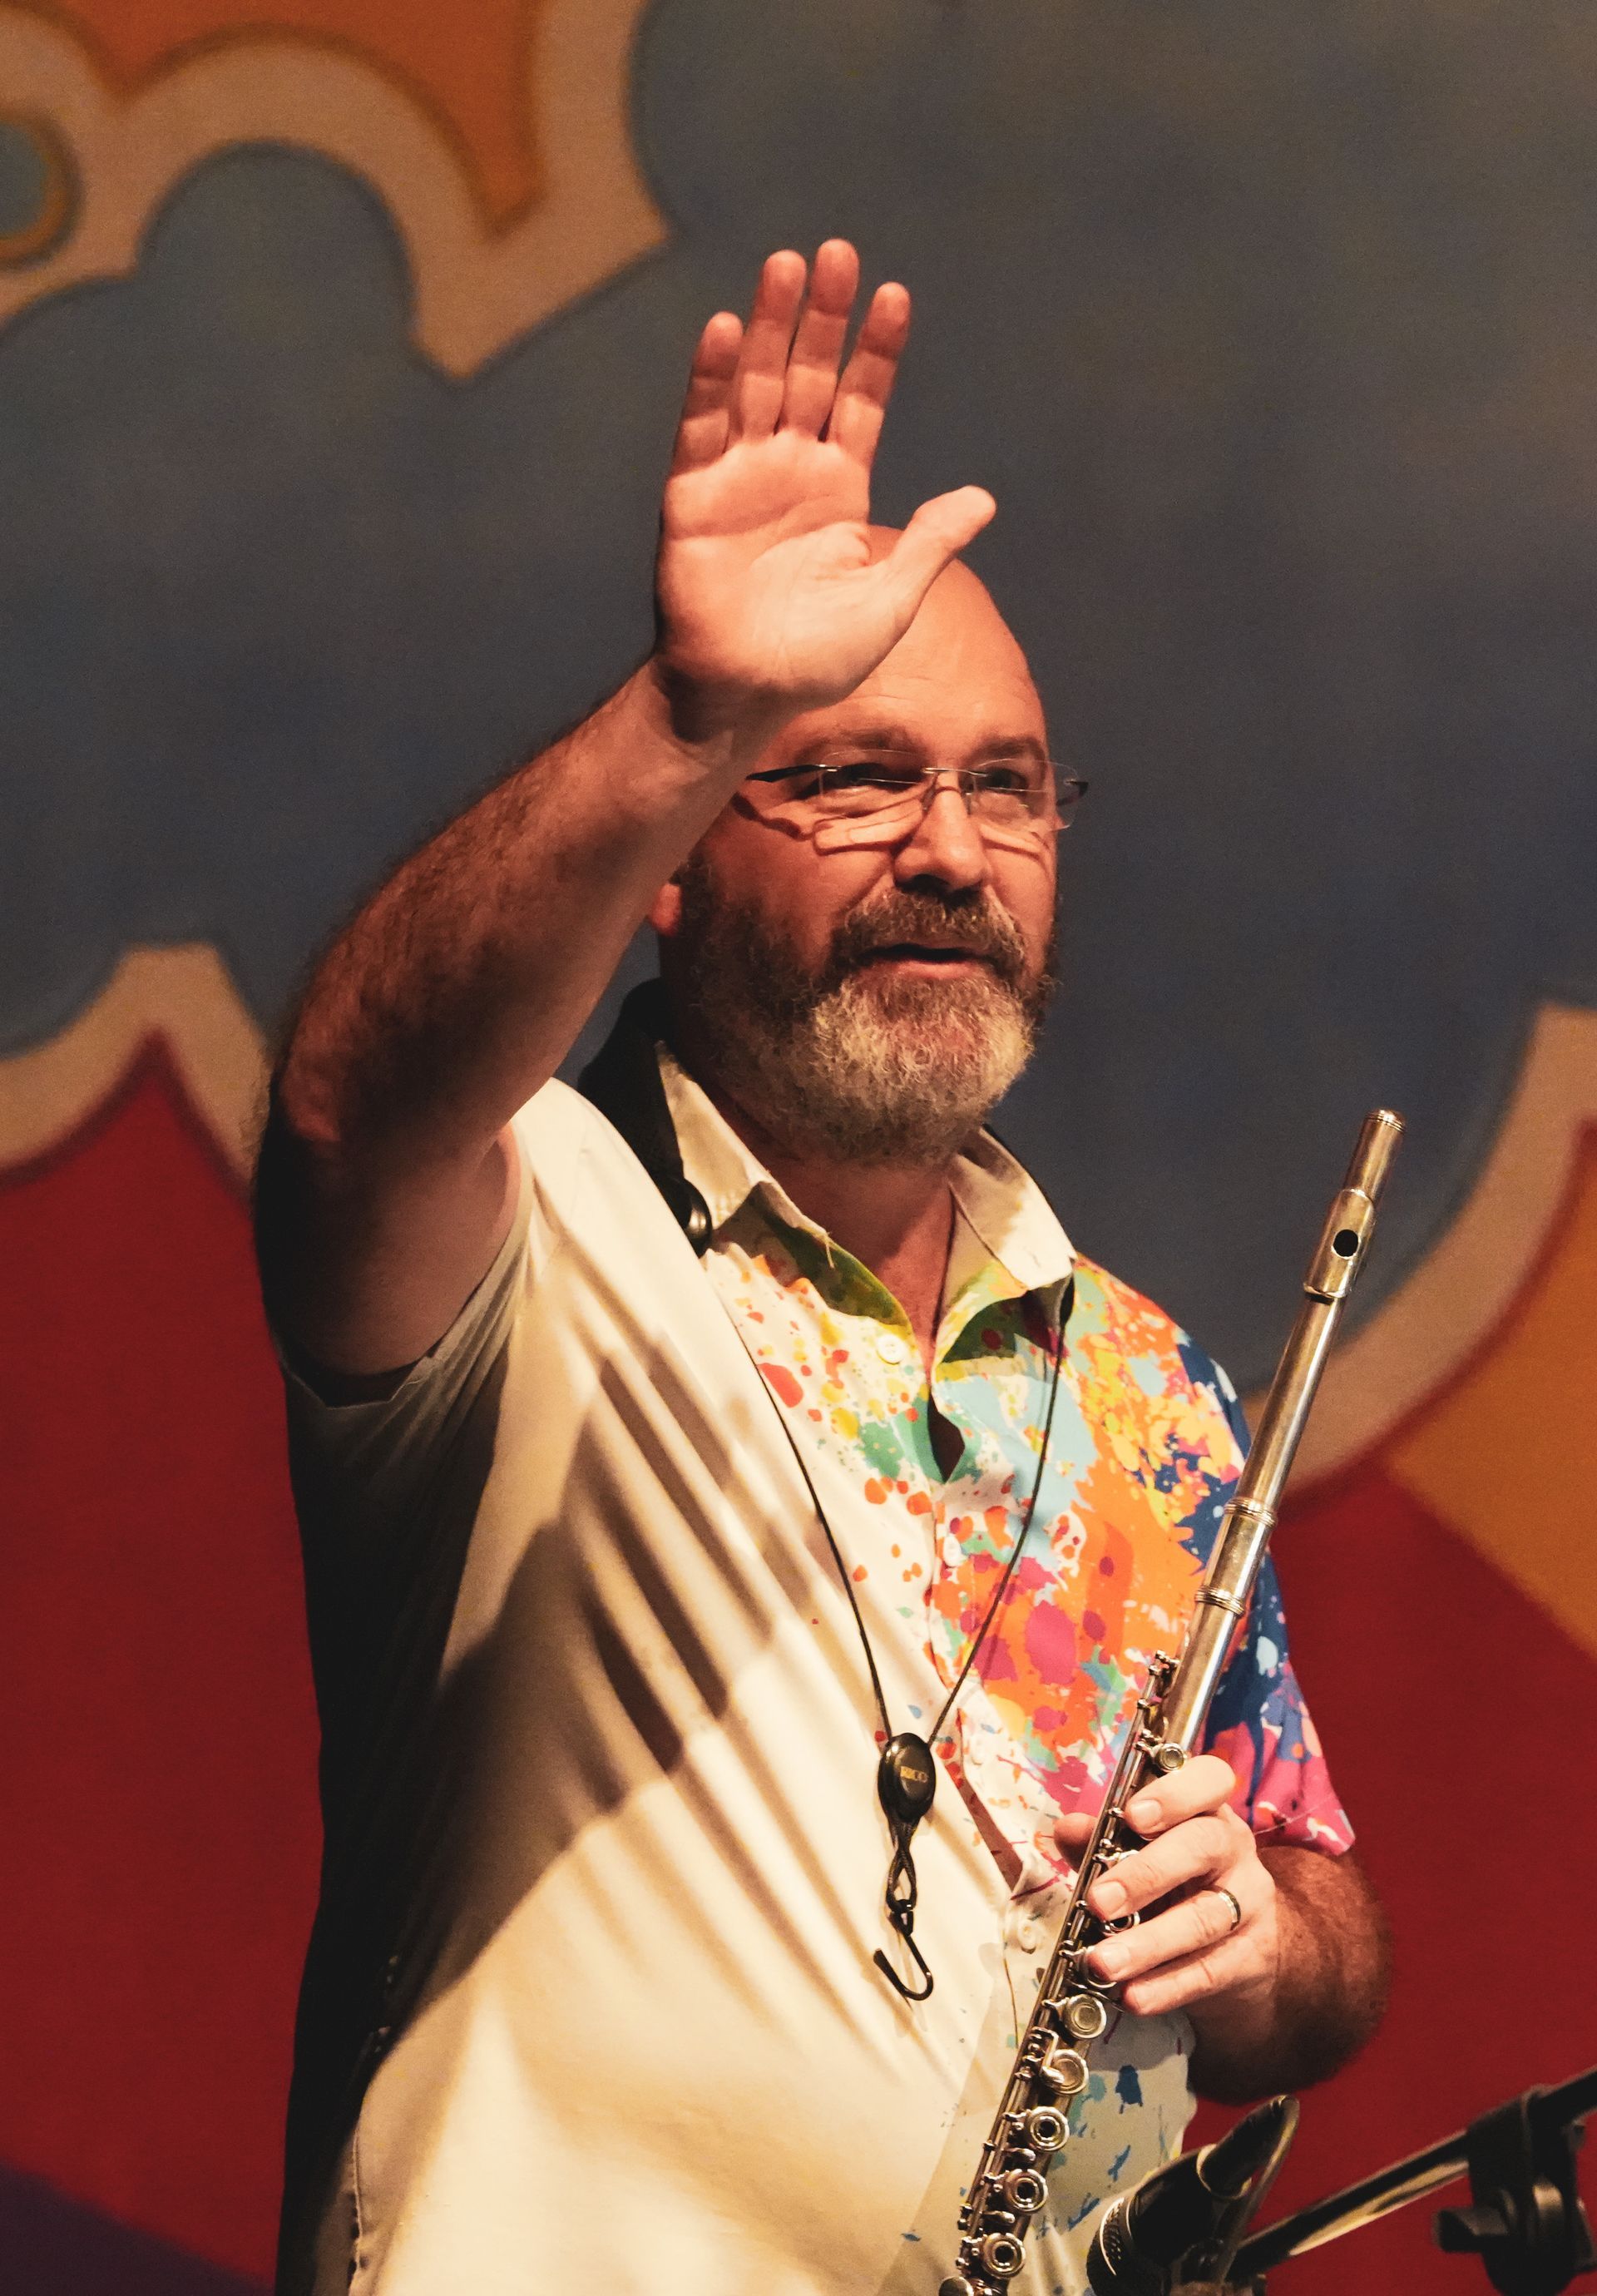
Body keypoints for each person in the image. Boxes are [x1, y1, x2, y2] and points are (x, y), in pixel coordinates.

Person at [255, 241, 1388, 2296]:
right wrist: (692, 706)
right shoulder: (523, 1223)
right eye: (856, 778)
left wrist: (1273, 1941)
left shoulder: (1151, 1384)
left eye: (1008, 791)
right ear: (679, 862)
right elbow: (346, 1110)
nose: (949, 853)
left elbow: (1322, 1931)